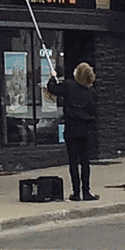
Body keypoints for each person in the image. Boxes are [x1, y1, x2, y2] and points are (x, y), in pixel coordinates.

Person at [47, 62, 99, 201]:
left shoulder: (69, 86)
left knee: (73, 161)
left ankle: (76, 193)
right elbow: (93, 111)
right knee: (85, 161)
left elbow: (52, 88)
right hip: (86, 129)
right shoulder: (92, 92)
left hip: (72, 128)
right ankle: (86, 192)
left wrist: (53, 77)